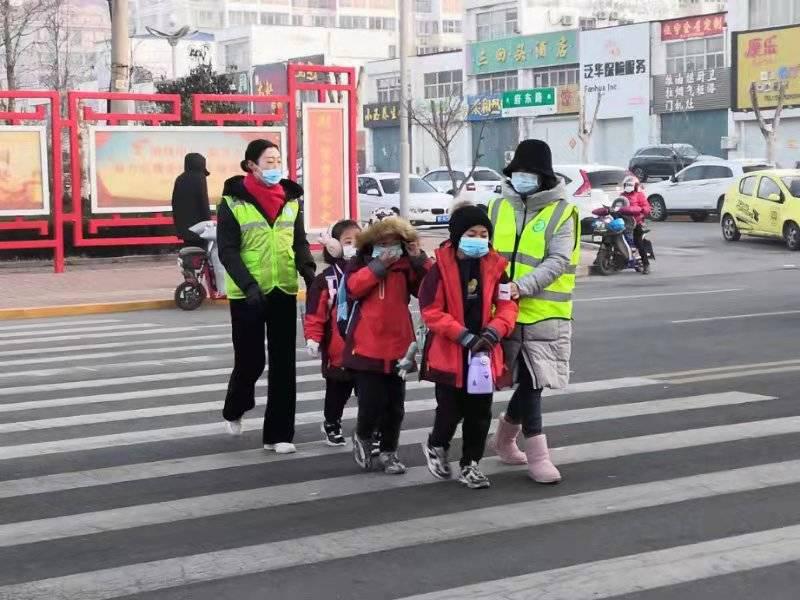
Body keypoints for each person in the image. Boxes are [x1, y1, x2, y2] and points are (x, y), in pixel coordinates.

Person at [487, 139, 580, 484]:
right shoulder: (497, 206)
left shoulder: (562, 211)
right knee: (515, 381)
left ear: (543, 177)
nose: (523, 178)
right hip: (501, 311)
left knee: (533, 381)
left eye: (530, 174)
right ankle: (504, 440)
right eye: (518, 173)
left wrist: (520, 286)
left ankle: (536, 454)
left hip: (544, 311)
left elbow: (558, 261)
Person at [218, 139, 316, 454]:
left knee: (284, 363)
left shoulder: (291, 199)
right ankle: (236, 406)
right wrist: (247, 285)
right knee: (250, 360)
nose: (275, 167)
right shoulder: (233, 202)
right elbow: (227, 250)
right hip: (248, 293)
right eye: (268, 161)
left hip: (283, 288)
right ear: (251, 166)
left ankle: (279, 434)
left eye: (278, 160)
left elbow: (299, 241)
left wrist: (309, 272)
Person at [419, 204, 518, 489]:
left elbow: (508, 304)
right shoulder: (439, 269)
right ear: (457, 235)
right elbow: (431, 311)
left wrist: (495, 331)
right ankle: (436, 444)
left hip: (484, 353)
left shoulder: (496, 267)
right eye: (471, 233)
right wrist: (463, 336)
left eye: (483, 233)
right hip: (451, 353)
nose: (478, 239)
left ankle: (470, 464)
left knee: (479, 413)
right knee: (449, 410)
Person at [343, 217, 431, 474]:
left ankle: (389, 452)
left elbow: (429, 288)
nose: (389, 248)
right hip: (367, 344)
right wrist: (378, 266)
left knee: (395, 406)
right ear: (372, 244)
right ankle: (363, 435)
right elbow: (353, 288)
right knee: (371, 402)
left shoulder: (406, 266)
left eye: (394, 243)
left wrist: (419, 258)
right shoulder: (360, 263)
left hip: (399, 347)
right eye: (383, 243)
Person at [304, 219, 361, 446]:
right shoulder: (326, 279)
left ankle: (369, 430)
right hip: (338, 349)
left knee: (369, 395)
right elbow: (315, 312)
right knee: (338, 392)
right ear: (333, 245)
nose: (354, 245)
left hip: (367, 348)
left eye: (358, 240)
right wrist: (312, 338)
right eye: (348, 241)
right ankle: (331, 422)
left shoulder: (373, 271)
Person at [171, 153, 212, 249]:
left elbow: (174, 203)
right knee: (201, 253)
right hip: (200, 227)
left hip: (184, 227)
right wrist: (208, 222)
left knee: (190, 253)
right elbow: (203, 202)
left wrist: (178, 225)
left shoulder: (179, 179)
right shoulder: (200, 178)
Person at [621, 175, 652, 275]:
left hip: (636, 223)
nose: (628, 186)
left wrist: (641, 210)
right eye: (627, 184)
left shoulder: (639, 195)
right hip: (623, 222)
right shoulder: (622, 195)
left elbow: (647, 207)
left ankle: (646, 264)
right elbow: (617, 204)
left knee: (638, 242)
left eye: (630, 184)